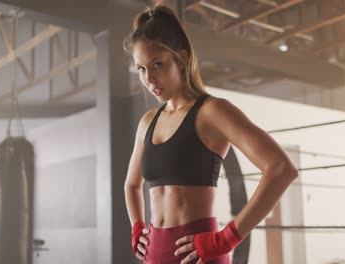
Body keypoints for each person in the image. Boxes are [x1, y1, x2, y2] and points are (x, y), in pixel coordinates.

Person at [123, 3, 299, 264]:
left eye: (157, 64)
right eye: (141, 68)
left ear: (181, 59)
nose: (149, 79)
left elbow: (281, 169)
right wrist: (137, 226)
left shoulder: (213, 112)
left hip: (199, 255)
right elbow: (132, 184)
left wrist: (225, 239)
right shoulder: (147, 122)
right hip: (154, 255)